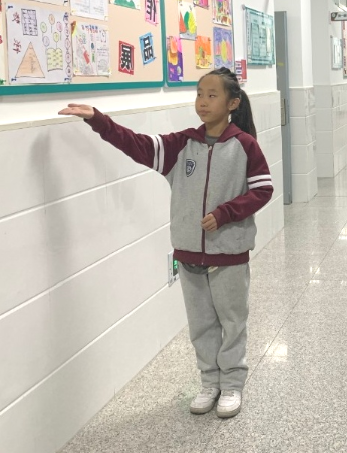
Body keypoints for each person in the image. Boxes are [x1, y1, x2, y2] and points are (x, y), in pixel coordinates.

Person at [57, 68, 273, 419]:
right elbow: (138, 145)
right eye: (199, 94)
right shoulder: (181, 144)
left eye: (212, 95)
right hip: (189, 252)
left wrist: (225, 213)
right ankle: (210, 382)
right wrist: (99, 120)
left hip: (229, 253)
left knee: (232, 321)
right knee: (201, 323)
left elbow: (263, 189)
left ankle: (232, 384)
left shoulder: (245, 145)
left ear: (233, 103)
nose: (203, 102)